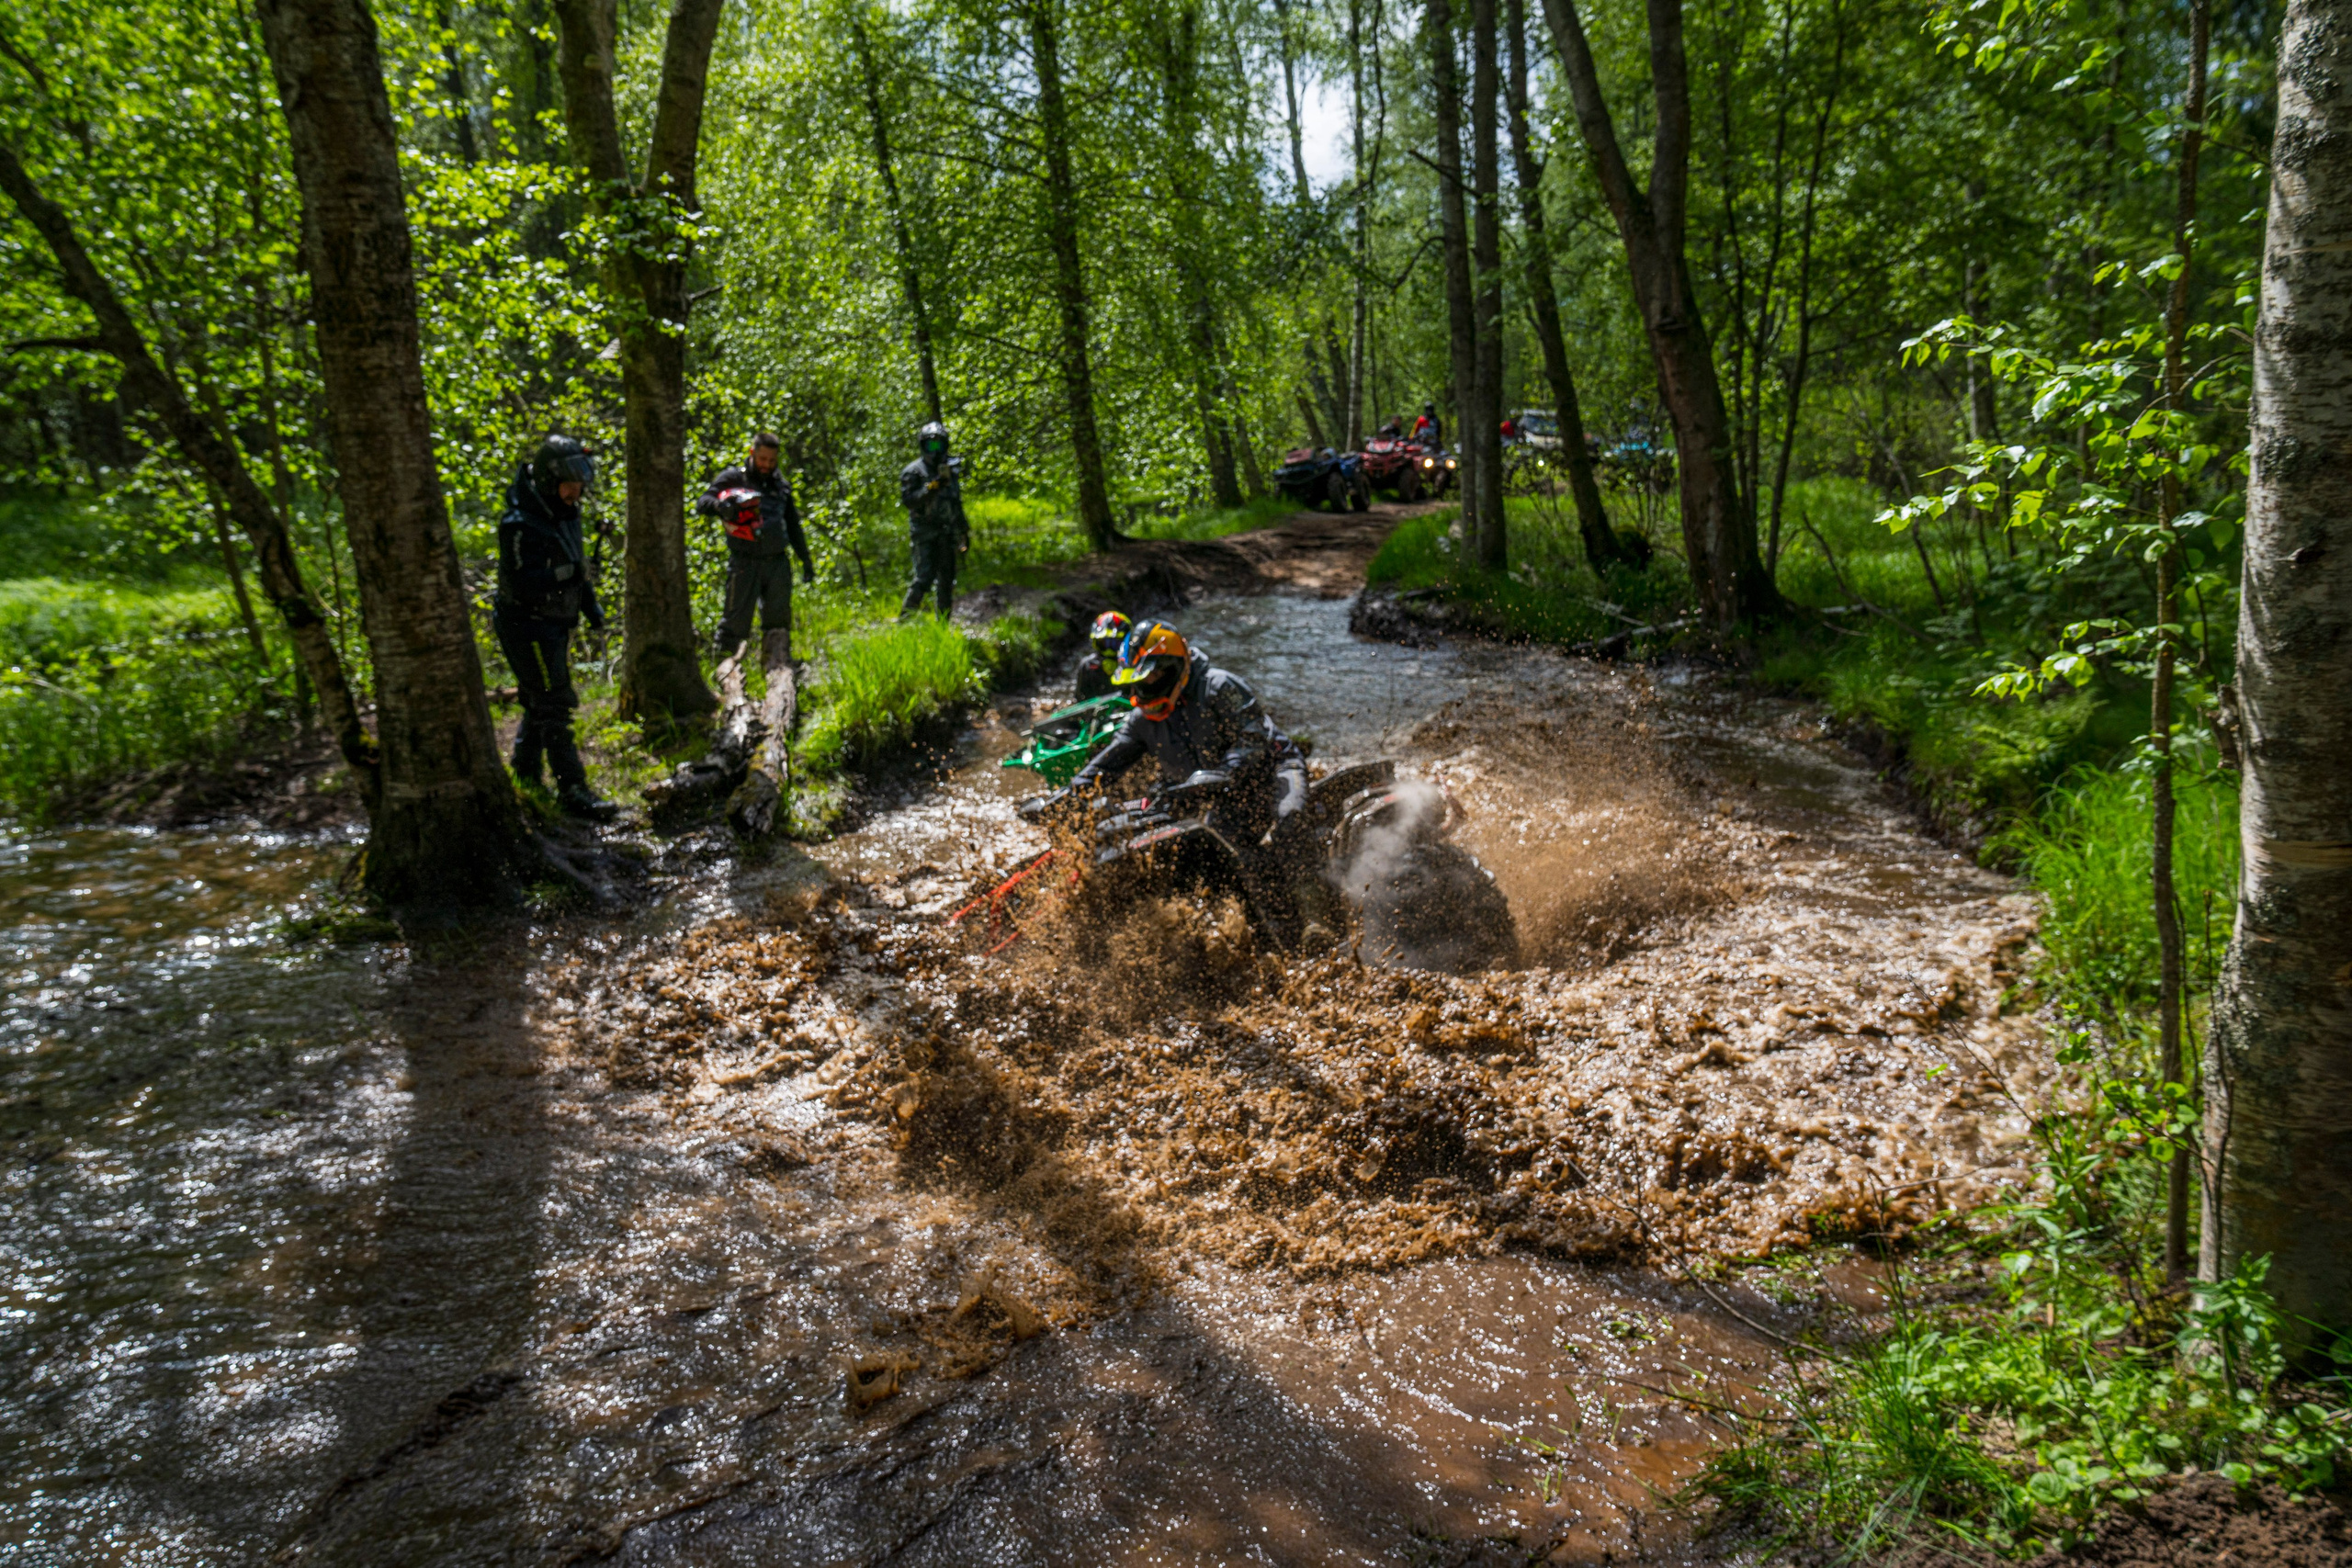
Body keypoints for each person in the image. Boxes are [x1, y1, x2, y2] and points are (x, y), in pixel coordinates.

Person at [1065, 620, 1309, 941]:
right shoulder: (1141, 720)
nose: (1147, 684)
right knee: (1215, 849)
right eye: (1140, 679)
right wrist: (1068, 795)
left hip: (1270, 769)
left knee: (1290, 821)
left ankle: (1313, 921)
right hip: (1218, 790)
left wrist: (1227, 770)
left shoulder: (1219, 686)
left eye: (1152, 676)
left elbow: (1254, 738)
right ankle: (1248, 928)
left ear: (1173, 666)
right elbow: (1109, 763)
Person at [493, 434, 615, 819]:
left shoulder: (567, 512)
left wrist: (593, 610)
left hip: (556, 622)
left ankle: (525, 772)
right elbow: (521, 583)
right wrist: (568, 573)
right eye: (569, 486)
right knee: (554, 702)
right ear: (548, 481)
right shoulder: (519, 524)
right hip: (525, 625)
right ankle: (573, 789)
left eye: (579, 487)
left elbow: (578, 570)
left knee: (537, 697)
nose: (575, 494)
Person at [695, 432, 815, 664]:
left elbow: (793, 527)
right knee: (734, 624)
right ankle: (723, 670)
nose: (767, 465)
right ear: (752, 454)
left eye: (771, 461)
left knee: (778, 623)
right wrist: (722, 507)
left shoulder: (781, 487)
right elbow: (703, 503)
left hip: (777, 563)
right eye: (762, 460)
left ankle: (777, 669)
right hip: (743, 562)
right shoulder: (733, 478)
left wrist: (806, 561)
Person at [899, 420, 968, 617]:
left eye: (939, 445)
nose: (935, 450)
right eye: (931, 445)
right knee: (924, 578)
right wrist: (932, 487)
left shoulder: (950, 471)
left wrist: (963, 530)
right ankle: (905, 620)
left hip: (947, 533)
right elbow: (910, 501)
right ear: (923, 445)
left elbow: (956, 502)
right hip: (924, 534)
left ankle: (943, 626)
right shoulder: (913, 472)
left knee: (947, 580)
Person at [1073, 610, 1131, 702]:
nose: (1109, 649)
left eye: (1115, 643)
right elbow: (1079, 699)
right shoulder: (1087, 665)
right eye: (1105, 643)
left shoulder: (1133, 663)